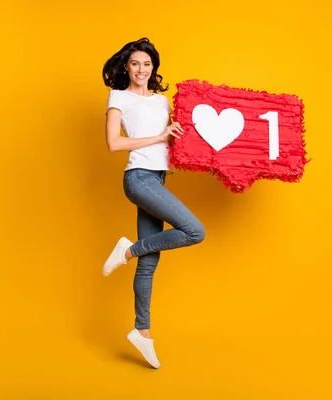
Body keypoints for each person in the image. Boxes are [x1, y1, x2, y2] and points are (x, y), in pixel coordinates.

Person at [101, 38, 205, 369]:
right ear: (125, 68)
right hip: (139, 179)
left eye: (147, 65)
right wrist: (160, 139)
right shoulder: (119, 97)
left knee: (149, 261)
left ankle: (141, 331)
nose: (142, 70)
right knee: (194, 231)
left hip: (157, 179)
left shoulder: (162, 102)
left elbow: (171, 139)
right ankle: (127, 249)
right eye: (135, 64)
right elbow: (114, 143)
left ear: (153, 68)